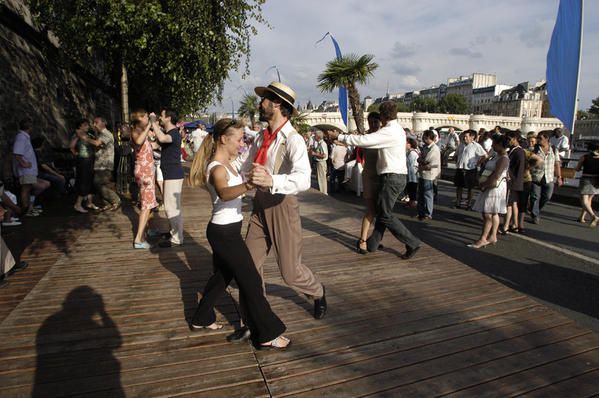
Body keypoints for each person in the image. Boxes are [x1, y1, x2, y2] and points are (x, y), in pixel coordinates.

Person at [228, 81, 327, 344]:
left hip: (283, 205)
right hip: (260, 206)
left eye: (265, 100)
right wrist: (222, 165)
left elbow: (304, 179)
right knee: (249, 267)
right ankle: (251, 321)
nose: (260, 104)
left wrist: (272, 180)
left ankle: (317, 291)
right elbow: (245, 164)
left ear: (278, 105)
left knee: (290, 272)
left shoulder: (292, 138)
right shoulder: (262, 136)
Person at [188, 118, 290, 349]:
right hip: (224, 233)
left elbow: (243, 168)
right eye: (238, 138)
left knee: (222, 277)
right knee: (251, 280)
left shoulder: (230, 163)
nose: (241, 142)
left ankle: (201, 318)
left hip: (229, 229)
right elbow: (224, 193)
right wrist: (249, 185)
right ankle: (267, 334)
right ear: (224, 139)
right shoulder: (216, 168)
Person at [327, 101, 422, 260]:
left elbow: (363, 141)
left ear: (383, 116)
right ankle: (373, 243)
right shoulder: (397, 129)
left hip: (392, 177)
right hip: (395, 176)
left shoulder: (388, 131)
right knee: (383, 211)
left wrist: (339, 136)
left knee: (384, 214)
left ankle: (412, 242)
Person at [468, 134, 510, 248]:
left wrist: (484, 185)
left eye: (495, 144)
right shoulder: (496, 156)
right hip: (491, 185)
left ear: (501, 145)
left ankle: (483, 238)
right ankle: (492, 236)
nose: (493, 146)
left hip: (493, 187)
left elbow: (496, 175)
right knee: (493, 212)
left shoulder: (503, 159)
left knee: (488, 213)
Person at [151, 109, 185, 248]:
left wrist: (153, 123)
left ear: (168, 118)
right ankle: (174, 232)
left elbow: (163, 139)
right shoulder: (169, 134)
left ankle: (177, 239)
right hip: (170, 174)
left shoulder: (174, 133)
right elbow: (155, 145)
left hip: (173, 174)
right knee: (170, 206)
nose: (160, 117)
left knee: (172, 207)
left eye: (162, 115)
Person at [130, 109, 158, 249]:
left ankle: (146, 231)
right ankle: (138, 239)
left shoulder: (143, 133)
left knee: (149, 203)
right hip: (144, 173)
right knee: (146, 206)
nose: (148, 118)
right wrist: (150, 126)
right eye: (146, 116)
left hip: (148, 172)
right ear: (139, 118)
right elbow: (139, 141)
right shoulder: (136, 131)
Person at [12, 118, 50, 217]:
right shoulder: (21, 137)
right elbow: (17, 153)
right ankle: (26, 210)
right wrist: (24, 164)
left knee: (38, 186)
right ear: (30, 127)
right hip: (25, 171)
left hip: (29, 171)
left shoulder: (25, 137)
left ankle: (29, 207)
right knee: (26, 189)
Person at [357, 112, 382, 254]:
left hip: (381, 177)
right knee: (371, 210)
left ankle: (374, 239)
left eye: (375, 122)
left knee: (380, 212)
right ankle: (362, 240)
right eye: (371, 122)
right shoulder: (366, 138)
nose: (373, 125)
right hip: (369, 177)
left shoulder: (383, 137)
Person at [529, 130, 563, 224]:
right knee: (535, 197)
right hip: (536, 177)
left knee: (547, 197)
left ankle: (535, 209)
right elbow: (529, 162)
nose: (538, 140)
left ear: (547, 139)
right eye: (537, 138)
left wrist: (559, 177)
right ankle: (535, 215)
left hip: (549, 177)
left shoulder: (553, 149)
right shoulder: (534, 149)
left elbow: (557, 163)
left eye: (540, 138)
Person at [92, 117, 121, 211]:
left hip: (105, 164)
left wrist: (84, 137)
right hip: (99, 164)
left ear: (103, 123)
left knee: (98, 183)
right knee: (102, 184)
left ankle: (115, 200)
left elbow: (97, 144)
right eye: (94, 122)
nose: (94, 124)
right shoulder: (100, 134)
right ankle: (108, 203)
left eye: (96, 122)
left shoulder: (106, 134)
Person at [70, 119, 98, 213]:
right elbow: (71, 147)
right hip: (84, 161)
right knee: (84, 181)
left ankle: (89, 202)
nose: (87, 126)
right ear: (80, 126)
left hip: (90, 160)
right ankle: (78, 204)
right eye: (85, 125)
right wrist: (77, 154)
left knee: (90, 181)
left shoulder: (88, 134)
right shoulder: (77, 134)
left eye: (87, 125)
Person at [454, 130, 488, 209]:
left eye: (466, 136)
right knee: (459, 186)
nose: (464, 138)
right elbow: (456, 155)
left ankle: (468, 204)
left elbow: (485, 156)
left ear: (472, 137)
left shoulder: (476, 146)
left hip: (470, 169)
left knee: (470, 187)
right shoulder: (461, 145)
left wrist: (478, 163)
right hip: (460, 168)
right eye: (464, 136)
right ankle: (458, 202)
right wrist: (457, 162)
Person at [502, 130, 525, 233]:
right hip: (516, 182)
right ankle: (515, 224)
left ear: (515, 139)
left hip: (513, 182)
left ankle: (506, 226)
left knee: (509, 205)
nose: (508, 141)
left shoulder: (517, 152)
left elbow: (518, 169)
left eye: (509, 139)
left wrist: (511, 178)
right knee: (513, 204)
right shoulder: (515, 151)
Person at [417, 130, 441, 221]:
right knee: (421, 194)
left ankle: (428, 213)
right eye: (424, 138)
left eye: (426, 138)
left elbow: (427, 160)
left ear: (431, 139)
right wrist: (421, 160)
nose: (424, 140)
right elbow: (419, 158)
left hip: (429, 174)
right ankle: (421, 212)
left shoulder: (434, 148)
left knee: (427, 194)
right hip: (422, 172)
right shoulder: (425, 147)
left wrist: (422, 160)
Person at [575, 141, 599, 227]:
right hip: (596, 181)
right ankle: (581, 217)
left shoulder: (585, 157)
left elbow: (577, 169)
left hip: (586, 179)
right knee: (589, 200)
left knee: (584, 200)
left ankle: (594, 217)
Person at [310, 130, 328, 195]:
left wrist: (314, 154)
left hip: (321, 162)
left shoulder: (323, 144)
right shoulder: (319, 143)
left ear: (318, 137)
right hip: (319, 162)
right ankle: (321, 191)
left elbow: (324, 155)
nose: (314, 137)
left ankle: (323, 192)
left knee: (322, 178)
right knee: (320, 178)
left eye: (315, 136)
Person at [405, 137, 419, 209]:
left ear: (410, 144)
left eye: (406, 143)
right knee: (410, 189)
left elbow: (410, 166)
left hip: (413, 175)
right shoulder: (409, 152)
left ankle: (413, 202)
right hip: (411, 175)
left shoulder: (412, 153)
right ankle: (411, 201)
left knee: (412, 189)